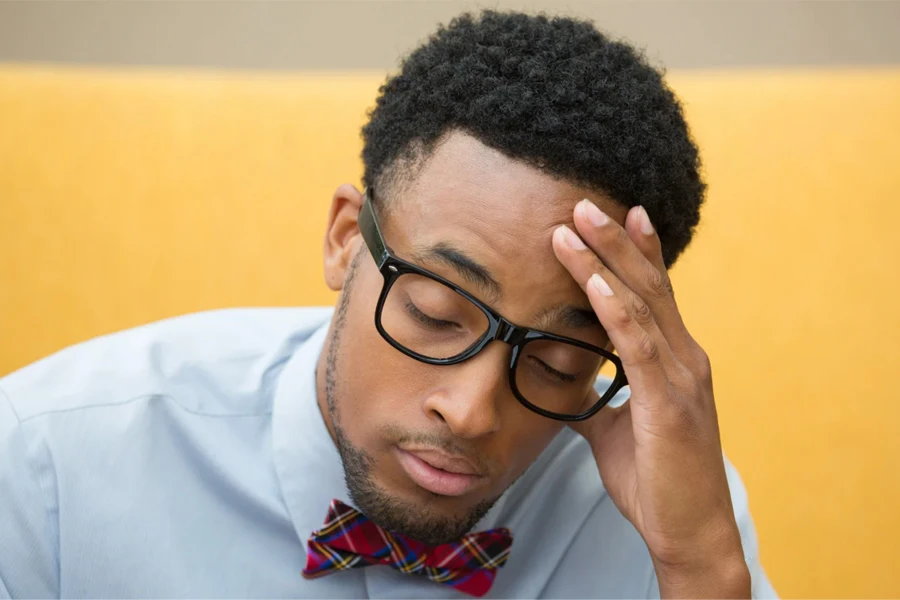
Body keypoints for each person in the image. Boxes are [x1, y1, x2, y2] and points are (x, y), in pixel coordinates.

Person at [0, 10, 776, 599]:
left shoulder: (670, 514)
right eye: (436, 314)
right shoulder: (47, 468)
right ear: (345, 240)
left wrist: (702, 565)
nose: (472, 412)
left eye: (557, 362)